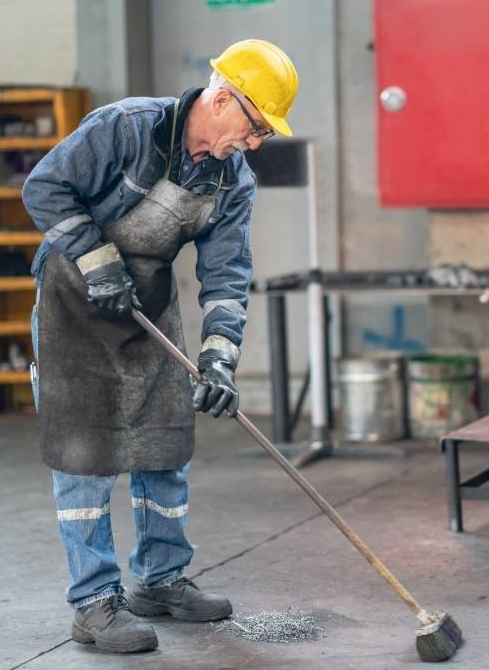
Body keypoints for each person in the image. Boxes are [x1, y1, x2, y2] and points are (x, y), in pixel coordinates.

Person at [22, 39, 298, 653]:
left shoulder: (233, 180)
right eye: (254, 128)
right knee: (84, 455)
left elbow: (227, 272)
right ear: (224, 99)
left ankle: (161, 579)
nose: (253, 144)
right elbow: (44, 188)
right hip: (74, 303)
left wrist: (220, 357)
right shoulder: (125, 128)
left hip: (148, 304)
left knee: (165, 444)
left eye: (263, 137)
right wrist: (97, 261)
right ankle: (94, 603)